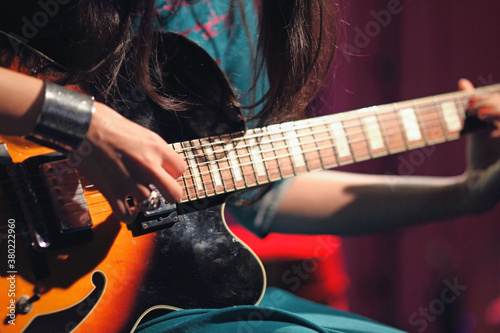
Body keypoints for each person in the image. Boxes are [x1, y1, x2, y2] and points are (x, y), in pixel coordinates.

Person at [1, 1, 499, 332]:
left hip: (135, 303)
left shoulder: (236, 14)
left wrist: (463, 194)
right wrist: (82, 123)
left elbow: (263, 191)